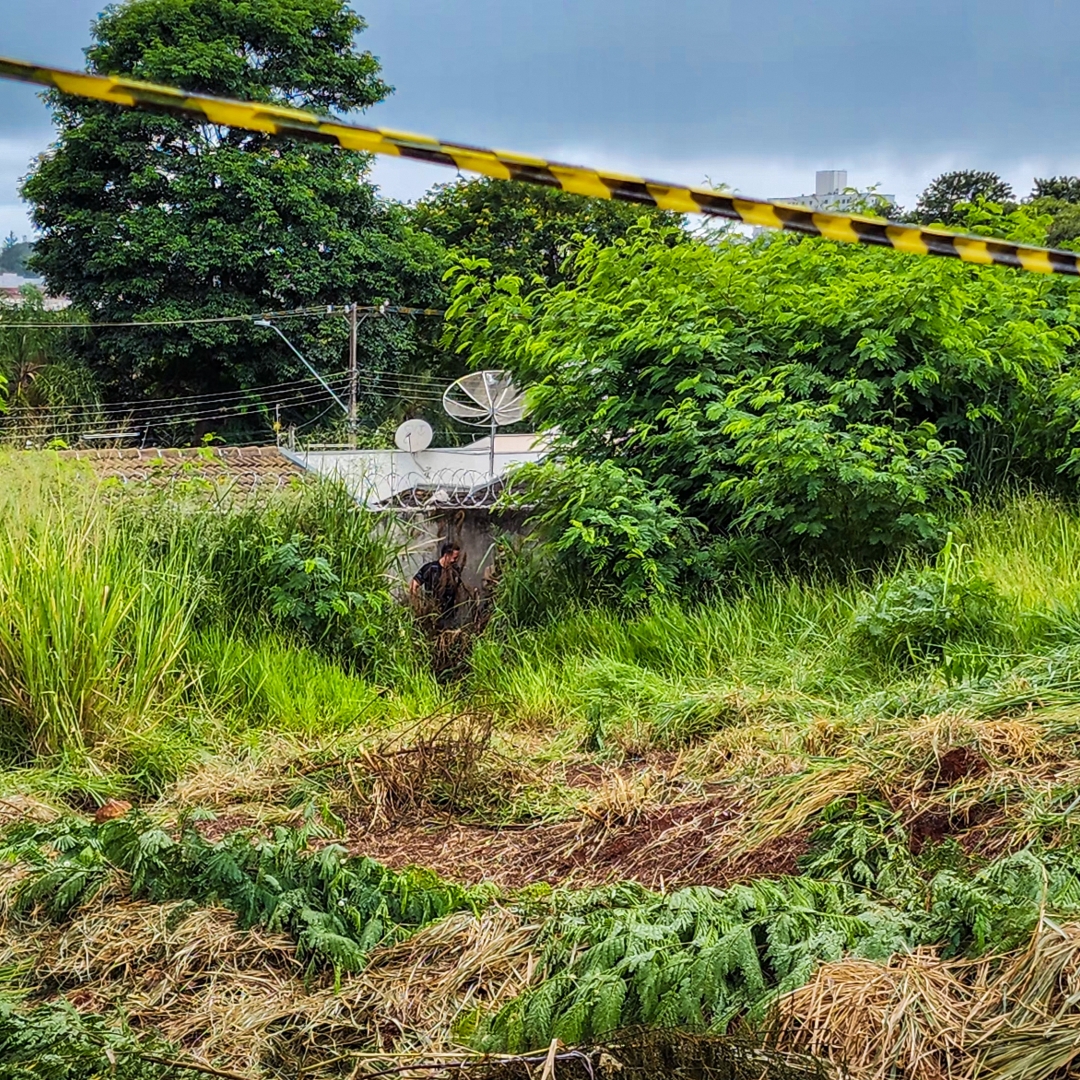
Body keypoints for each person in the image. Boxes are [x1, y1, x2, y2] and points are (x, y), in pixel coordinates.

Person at [410, 542, 462, 627]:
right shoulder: (431, 568)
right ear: (446, 556)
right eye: (454, 558)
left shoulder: (455, 570)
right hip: (432, 613)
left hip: (449, 614)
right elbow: (413, 585)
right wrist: (417, 606)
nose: (455, 561)